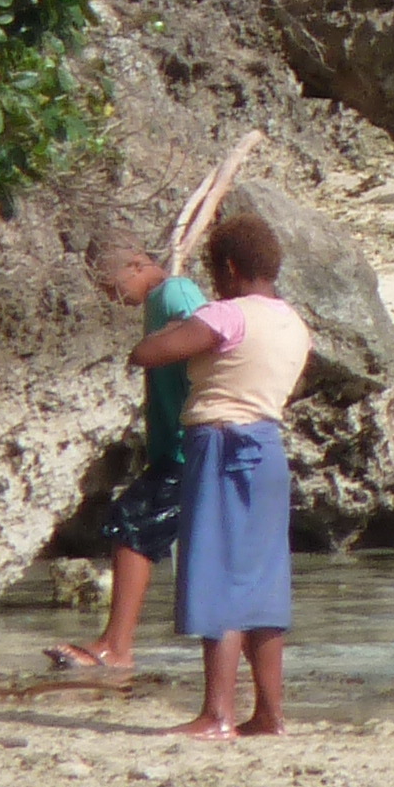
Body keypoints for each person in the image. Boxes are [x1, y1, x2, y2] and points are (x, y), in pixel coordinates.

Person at [128, 209, 314, 741]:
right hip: (268, 447)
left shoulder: (228, 316)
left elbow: (148, 353)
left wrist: (172, 326)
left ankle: (218, 714)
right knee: (263, 582)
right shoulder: (293, 323)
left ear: (230, 268)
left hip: (221, 443)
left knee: (216, 576)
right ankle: (271, 714)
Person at [49, 240, 207, 676]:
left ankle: (116, 647)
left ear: (137, 266)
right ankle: (117, 645)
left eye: (109, 283)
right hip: (175, 445)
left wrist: (153, 346)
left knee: (131, 526)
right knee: (140, 528)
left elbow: (202, 328)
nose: (108, 295)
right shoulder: (159, 300)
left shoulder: (174, 291)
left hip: (186, 445)